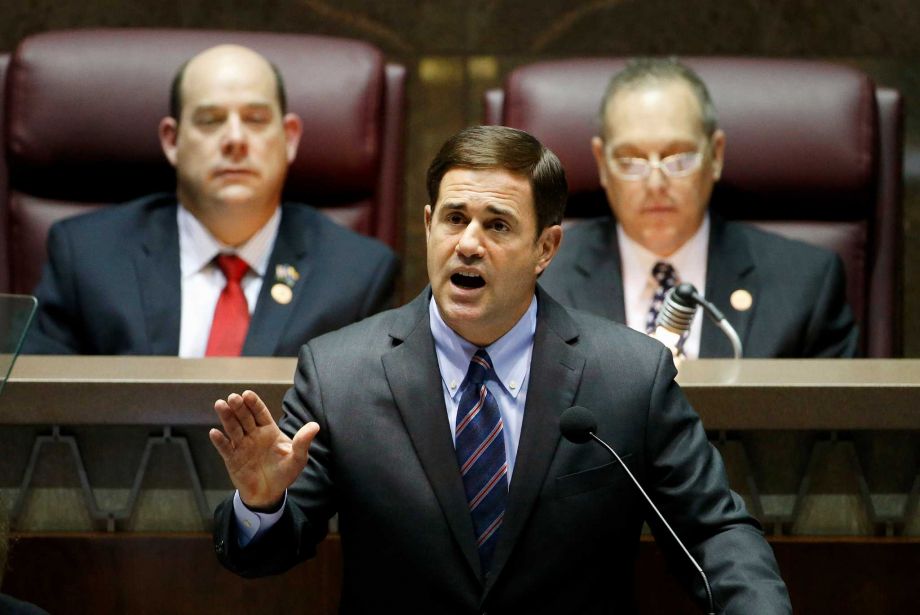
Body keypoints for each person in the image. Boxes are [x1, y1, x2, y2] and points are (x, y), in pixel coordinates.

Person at [209, 125, 791, 613]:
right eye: (454, 218)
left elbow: (714, 532)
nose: (468, 244)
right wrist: (261, 505)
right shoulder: (339, 373)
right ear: (429, 223)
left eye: (498, 225)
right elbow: (266, 556)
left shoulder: (628, 376)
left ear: (546, 247)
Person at [21, 44, 398, 357]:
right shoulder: (87, 258)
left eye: (255, 119)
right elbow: (41, 415)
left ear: (290, 138)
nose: (235, 139)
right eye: (210, 120)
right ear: (172, 140)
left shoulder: (356, 276)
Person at [540, 57, 857, 358]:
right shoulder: (542, 280)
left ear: (716, 155)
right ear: (602, 164)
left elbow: (838, 413)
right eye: (630, 161)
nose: (655, 183)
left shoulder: (805, 284)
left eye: (679, 158)